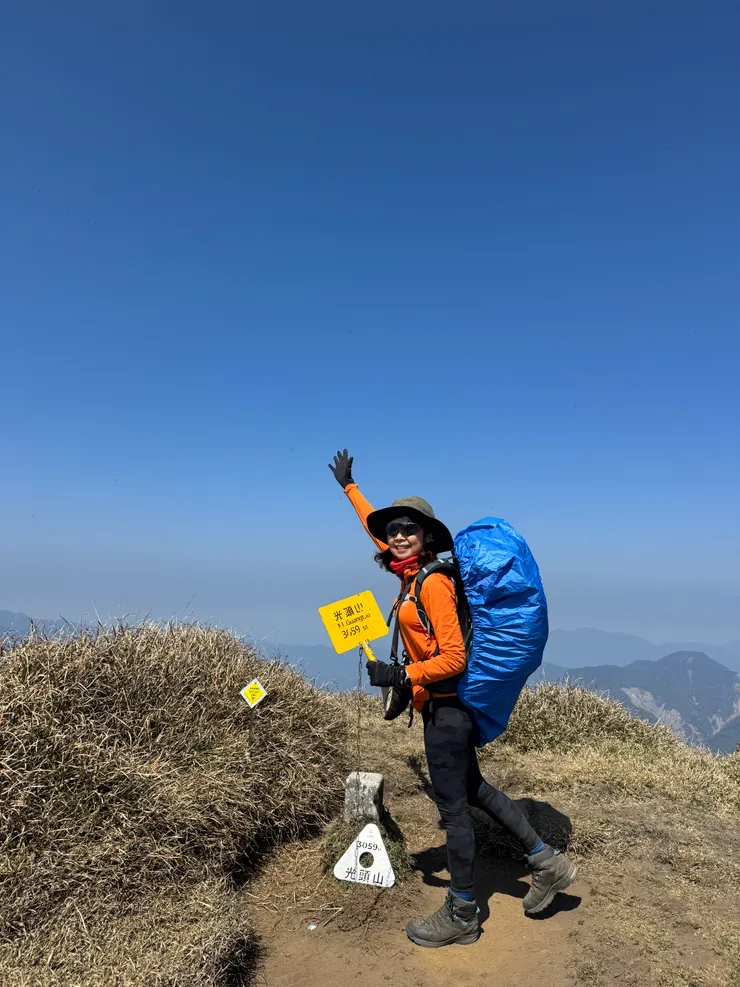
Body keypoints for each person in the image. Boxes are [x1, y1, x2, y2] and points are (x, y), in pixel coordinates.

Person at [329, 449, 577, 948]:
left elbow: (455, 659)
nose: (398, 535)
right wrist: (350, 489)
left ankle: (463, 911)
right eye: (394, 529)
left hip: (447, 709)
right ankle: (546, 861)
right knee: (475, 790)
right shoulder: (409, 574)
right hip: (443, 707)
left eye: (409, 529)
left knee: (454, 811)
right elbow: (377, 534)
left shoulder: (434, 584)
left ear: (427, 537)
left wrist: (401, 674)